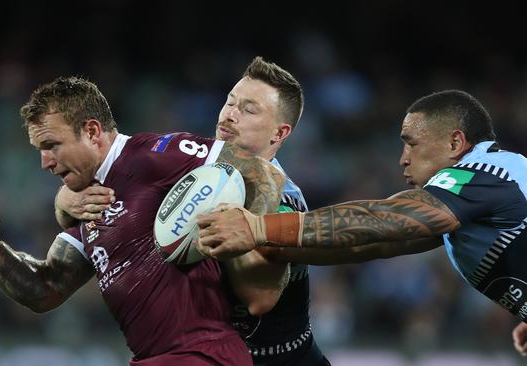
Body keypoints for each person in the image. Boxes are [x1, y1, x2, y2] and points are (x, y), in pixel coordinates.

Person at [0, 76, 289, 365]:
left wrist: (250, 259)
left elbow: (262, 175)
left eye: (52, 145)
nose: (45, 162)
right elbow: (45, 290)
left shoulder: (155, 156)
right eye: (39, 149)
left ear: (92, 131)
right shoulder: (87, 203)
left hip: (201, 354)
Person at [196, 89, 527, 355]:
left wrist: (259, 228)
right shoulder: (482, 195)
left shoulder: (484, 175)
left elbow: (387, 219)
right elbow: (374, 242)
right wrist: (271, 246)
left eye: (411, 143)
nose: (403, 159)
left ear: (455, 143)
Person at [55, 57, 331, 365]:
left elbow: (258, 298)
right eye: (230, 102)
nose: (230, 115)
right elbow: (112, 192)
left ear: (279, 134)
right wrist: (65, 201)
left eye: (249, 109)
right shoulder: (191, 172)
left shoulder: (283, 201)